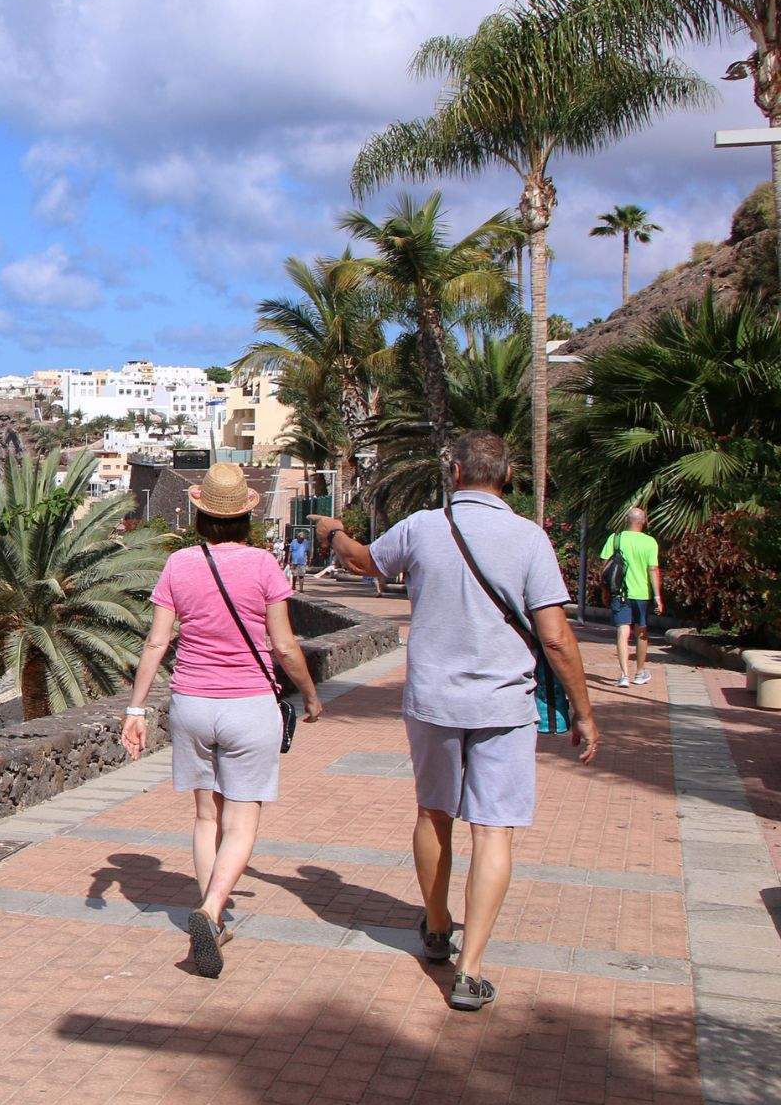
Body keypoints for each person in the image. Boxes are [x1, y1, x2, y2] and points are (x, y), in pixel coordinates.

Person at [315, 431, 600, 1012]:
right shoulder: (529, 539)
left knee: (433, 813)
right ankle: (470, 971)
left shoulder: (423, 527)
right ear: (507, 475)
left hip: (433, 701)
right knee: (493, 830)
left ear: (456, 471)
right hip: (503, 706)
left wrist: (335, 531)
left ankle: (439, 927)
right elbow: (555, 636)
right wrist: (583, 709)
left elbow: (364, 561)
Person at [122, 463, 323, 979]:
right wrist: (309, 693)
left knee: (205, 817)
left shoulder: (179, 565)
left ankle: (212, 913)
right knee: (242, 817)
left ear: (200, 512)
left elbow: (157, 642)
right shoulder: (263, 566)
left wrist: (136, 709)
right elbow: (282, 645)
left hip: (192, 702)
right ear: (245, 515)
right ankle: (211, 912)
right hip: (250, 704)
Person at [598, 507, 663, 688]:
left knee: (622, 631)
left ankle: (624, 675)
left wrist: (604, 591)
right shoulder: (650, 542)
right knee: (641, 632)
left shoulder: (615, 539)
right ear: (643, 521)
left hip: (620, 593)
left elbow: (604, 569)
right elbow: (653, 570)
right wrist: (657, 596)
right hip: (642, 594)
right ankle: (640, 672)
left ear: (626, 520)